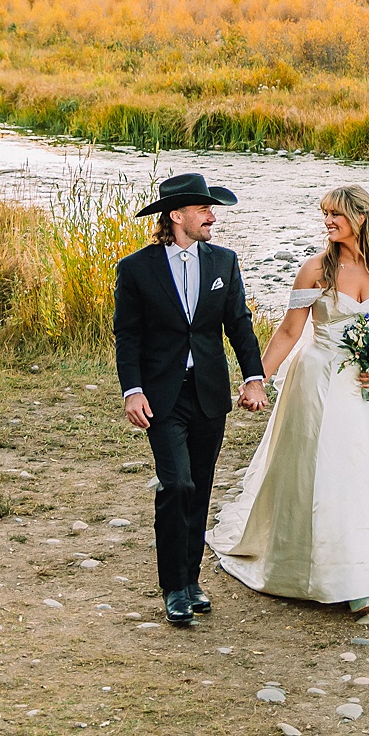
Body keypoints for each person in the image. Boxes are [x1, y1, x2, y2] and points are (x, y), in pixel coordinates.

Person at [207, 183, 369, 613]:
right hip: (320, 380)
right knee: (324, 470)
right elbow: (290, 330)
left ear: (361, 218)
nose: (327, 221)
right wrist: (257, 379)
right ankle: (327, 569)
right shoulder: (315, 270)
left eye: (335, 215)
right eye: (325, 213)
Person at [114, 172, 267, 628]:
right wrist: (132, 390)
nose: (211, 217)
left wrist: (254, 379)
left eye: (210, 209)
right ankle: (173, 588)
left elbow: (239, 324)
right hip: (161, 397)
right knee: (177, 484)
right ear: (176, 215)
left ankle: (192, 580)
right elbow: (128, 335)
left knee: (199, 486)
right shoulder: (136, 269)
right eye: (203, 209)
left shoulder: (224, 262)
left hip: (208, 393)